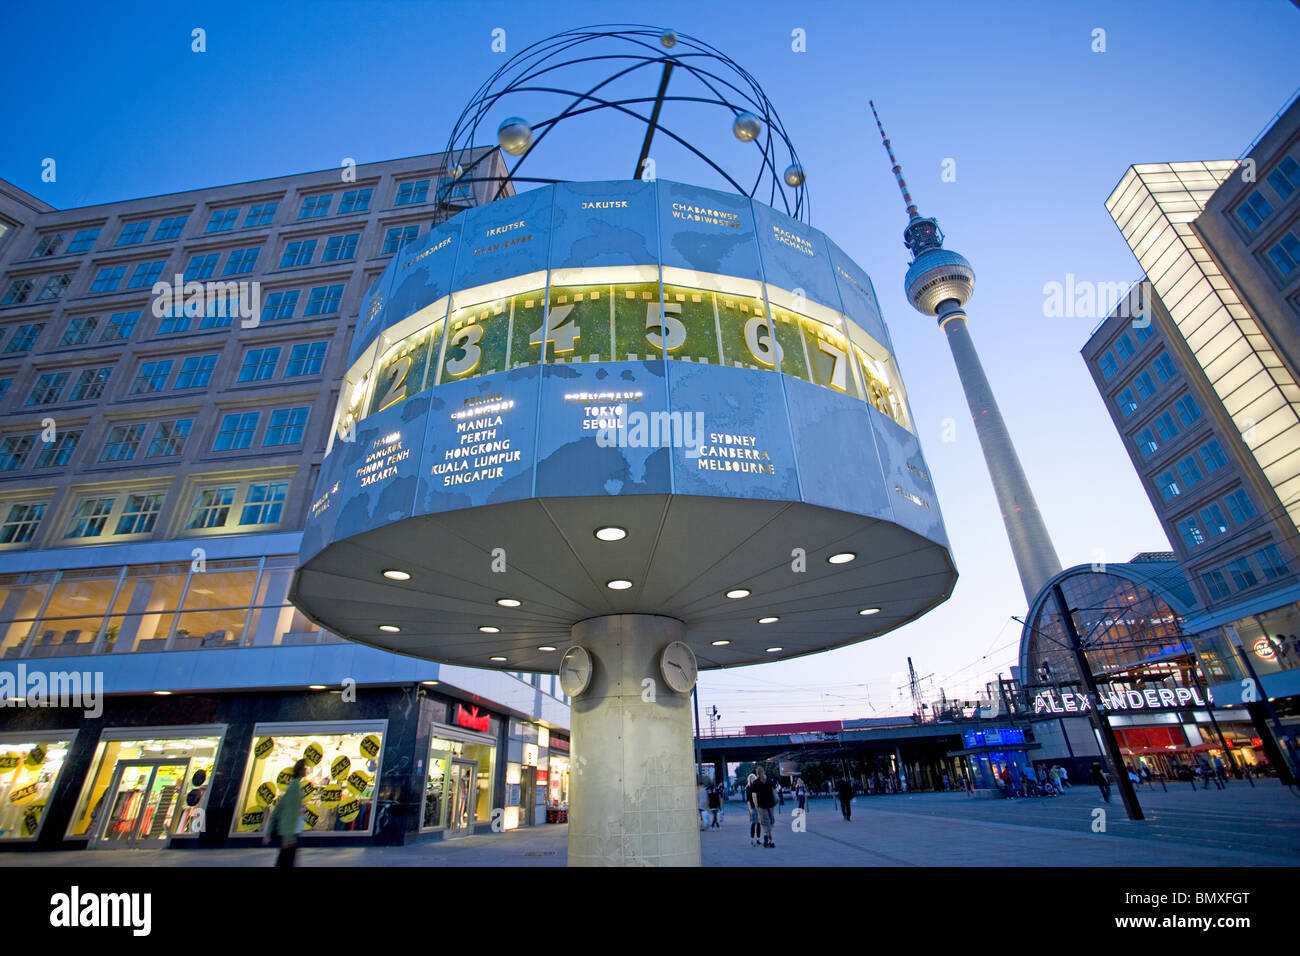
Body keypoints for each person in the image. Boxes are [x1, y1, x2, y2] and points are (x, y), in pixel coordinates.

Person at [264, 758, 307, 866]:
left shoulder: (294, 786)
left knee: (284, 861)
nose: (306, 769)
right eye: (304, 767)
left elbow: (278, 808)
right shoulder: (295, 787)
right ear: (300, 770)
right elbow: (290, 813)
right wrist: (288, 837)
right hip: (291, 833)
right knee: (286, 861)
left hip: (291, 831)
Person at [748, 767, 778, 848]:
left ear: (757, 773)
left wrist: (756, 805)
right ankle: (768, 840)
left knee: (765, 823)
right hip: (771, 805)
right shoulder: (769, 780)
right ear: (763, 772)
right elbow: (775, 791)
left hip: (762, 806)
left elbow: (754, 796)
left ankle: (769, 840)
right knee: (770, 822)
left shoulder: (755, 783)